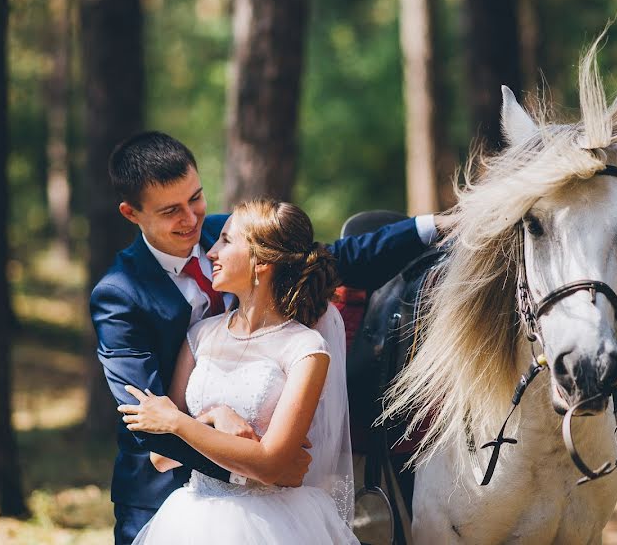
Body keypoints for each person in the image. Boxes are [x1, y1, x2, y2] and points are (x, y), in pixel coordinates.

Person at [90, 131, 439, 544]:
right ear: (132, 213)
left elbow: (332, 256)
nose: (192, 220)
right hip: (165, 498)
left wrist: (431, 226)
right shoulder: (120, 293)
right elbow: (149, 423)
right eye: (171, 211)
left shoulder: (230, 235)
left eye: (196, 198)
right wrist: (256, 467)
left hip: (274, 511)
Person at [118, 199, 358, 543]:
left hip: (275, 525)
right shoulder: (200, 334)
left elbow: (272, 465)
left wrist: (178, 422)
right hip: (190, 520)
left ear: (262, 260)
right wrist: (215, 417)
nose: (211, 252)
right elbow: (160, 455)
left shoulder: (306, 349)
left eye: (226, 241)